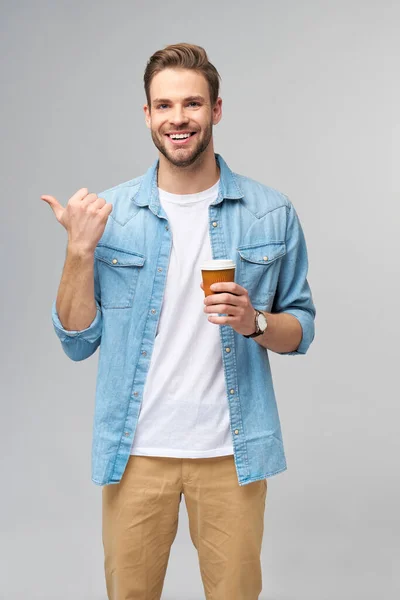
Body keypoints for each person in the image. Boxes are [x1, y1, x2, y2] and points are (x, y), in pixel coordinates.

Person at [42, 43, 316, 600]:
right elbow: (76, 342)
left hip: (231, 454)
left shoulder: (270, 212)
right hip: (136, 454)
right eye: (163, 105)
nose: (178, 118)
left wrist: (254, 322)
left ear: (216, 110)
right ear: (147, 115)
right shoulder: (109, 215)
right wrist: (78, 252)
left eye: (192, 104)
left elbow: (301, 329)